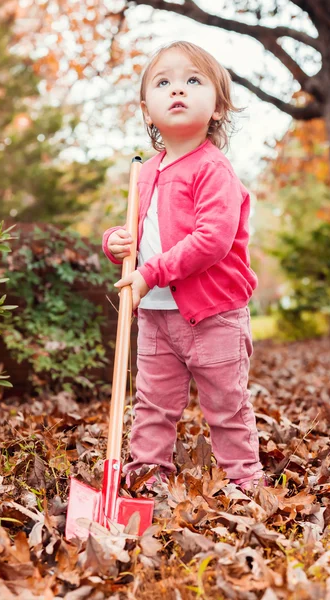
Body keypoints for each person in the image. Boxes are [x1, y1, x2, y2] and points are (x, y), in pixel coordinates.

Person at [102, 40, 265, 492]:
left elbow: (211, 240)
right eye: (164, 82)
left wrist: (149, 273)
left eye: (193, 80)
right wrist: (116, 242)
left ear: (217, 108)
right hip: (155, 315)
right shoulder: (146, 171)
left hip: (214, 314)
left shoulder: (214, 169)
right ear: (146, 109)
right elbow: (141, 233)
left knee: (225, 403)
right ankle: (147, 479)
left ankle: (244, 481)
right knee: (152, 403)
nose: (178, 89)